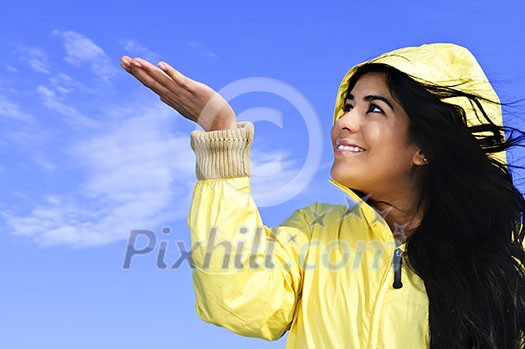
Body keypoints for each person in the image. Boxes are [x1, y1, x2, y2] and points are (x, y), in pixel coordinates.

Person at [120, 43, 525, 348]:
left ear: (424, 148)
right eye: (348, 106)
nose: (343, 122)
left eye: (374, 109)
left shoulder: (508, 253)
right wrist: (221, 137)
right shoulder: (315, 232)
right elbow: (238, 302)